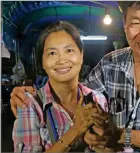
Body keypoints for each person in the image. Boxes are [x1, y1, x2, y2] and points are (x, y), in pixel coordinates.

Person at [10, 1, 140, 152]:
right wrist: (30, 94)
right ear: (124, 24)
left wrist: (121, 136)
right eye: (135, 23)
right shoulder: (110, 64)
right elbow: (79, 99)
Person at [12, 21, 109, 152]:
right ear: (42, 61)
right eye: (52, 53)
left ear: (81, 54)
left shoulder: (98, 99)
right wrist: (76, 130)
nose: (61, 60)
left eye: (69, 50)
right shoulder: (30, 105)